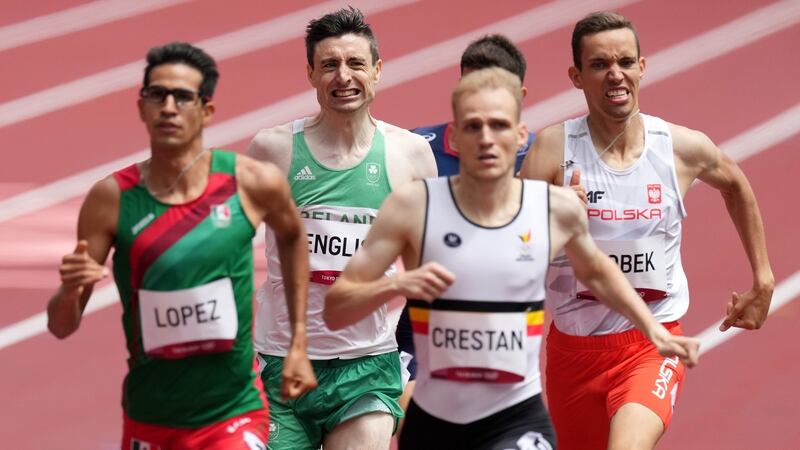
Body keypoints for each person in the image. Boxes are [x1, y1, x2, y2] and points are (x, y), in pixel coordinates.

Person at [324, 67, 699, 450]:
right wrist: (396, 284)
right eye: (474, 127)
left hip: (515, 420)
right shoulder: (413, 208)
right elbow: (336, 309)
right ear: (455, 137)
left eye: (499, 126)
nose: (487, 139)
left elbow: (599, 272)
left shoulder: (552, 209)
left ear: (521, 136)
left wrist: (653, 330)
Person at [520, 11, 774, 450]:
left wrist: (763, 278)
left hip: (652, 343)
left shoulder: (678, 147)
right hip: (573, 351)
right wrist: (550, 216)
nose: (615, 74)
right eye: (599, 64)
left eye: (625, 62)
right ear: (576, 77)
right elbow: (513, 242)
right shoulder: (553, 149)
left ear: (642, 67)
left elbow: (734, 183)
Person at [46, 42, 317, 450]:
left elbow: (294, 237)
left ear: (206, 110)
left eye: (183, 97)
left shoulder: (249, 183)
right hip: (151, 417)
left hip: (233, 413)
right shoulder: (111, 200)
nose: (169, 107)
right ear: (142, 107)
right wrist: (70, 290)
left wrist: (298, 341)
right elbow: (61, 326)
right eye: (157, 95)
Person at [246, 7, 436, 450]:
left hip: (366, 365)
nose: (343, 76)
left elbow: (431, 266)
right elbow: (228, 242)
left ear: (377, 71)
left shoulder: (409, 155)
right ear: (311, 74)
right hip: (283, 362)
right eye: (329, 65)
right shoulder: (273, 149)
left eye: (355, 63)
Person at [393, 35, 533, 425]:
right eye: (471, 86)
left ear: (519, 95)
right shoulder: (416, 147)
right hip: (425, 323)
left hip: (497, 329)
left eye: (494, 88)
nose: (482, 98)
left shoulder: (540, 155)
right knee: (411, 417)